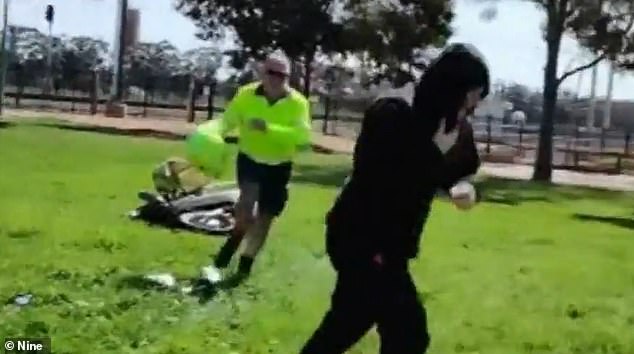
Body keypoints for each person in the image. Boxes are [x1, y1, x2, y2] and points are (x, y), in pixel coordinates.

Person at [299, 43, 490, 354]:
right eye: (471, 97)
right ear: (452, 89)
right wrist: (376, 250)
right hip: (361, 235)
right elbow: (374, 179)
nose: (473, 108)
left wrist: (464, 186)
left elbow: (463, 170)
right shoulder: (392, 112)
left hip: (392, 244)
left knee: (358, 324)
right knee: (404, 333)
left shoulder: (454, 126)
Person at [201, 52, 312, 282]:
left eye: (282, 75)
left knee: (265, 218)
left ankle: (244, 266)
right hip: (250, 159)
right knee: (247, 211)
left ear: (289, 77)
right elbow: (228, 120)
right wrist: (211, 135)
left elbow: (302, 137)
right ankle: (231, 246)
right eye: (271, 73)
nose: (275, 79)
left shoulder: (298, 103)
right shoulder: (246, 94)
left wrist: (269, 128)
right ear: (262, 73)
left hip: (279, 165)